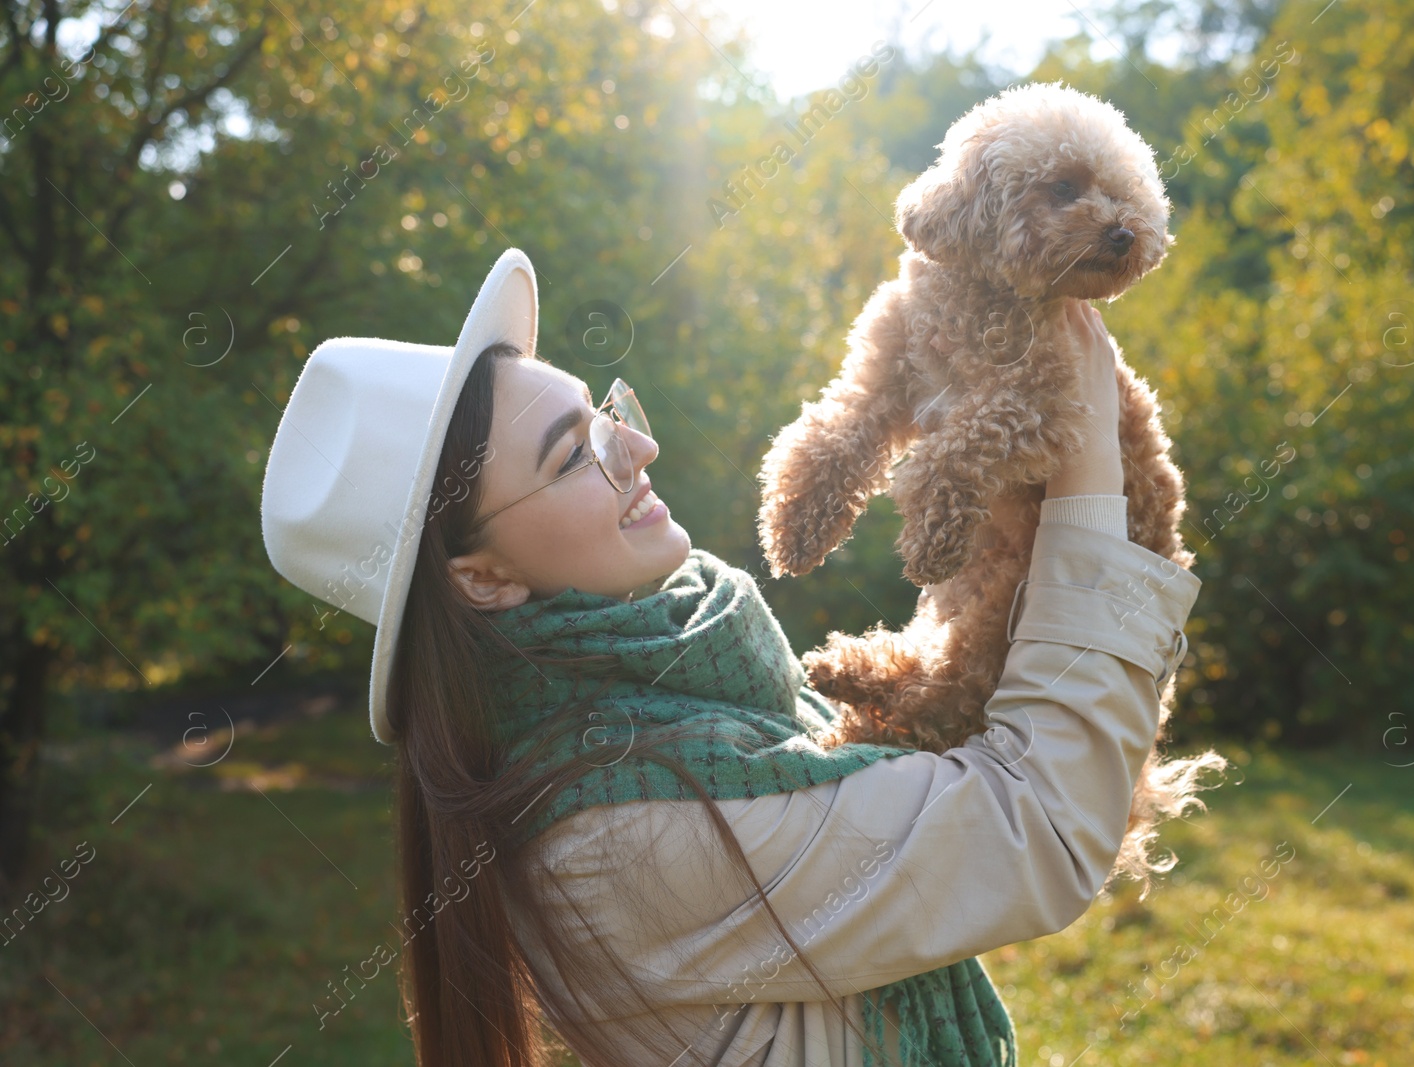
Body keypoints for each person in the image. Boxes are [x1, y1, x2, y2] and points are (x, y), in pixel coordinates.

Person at [260, 249, 1216, 1067]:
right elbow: (1039, 824)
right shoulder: (616, 835)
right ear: (483, 578)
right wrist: (1088, 434)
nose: (637, 442)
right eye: (569, 454)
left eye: (605, 413)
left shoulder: (669, 692)